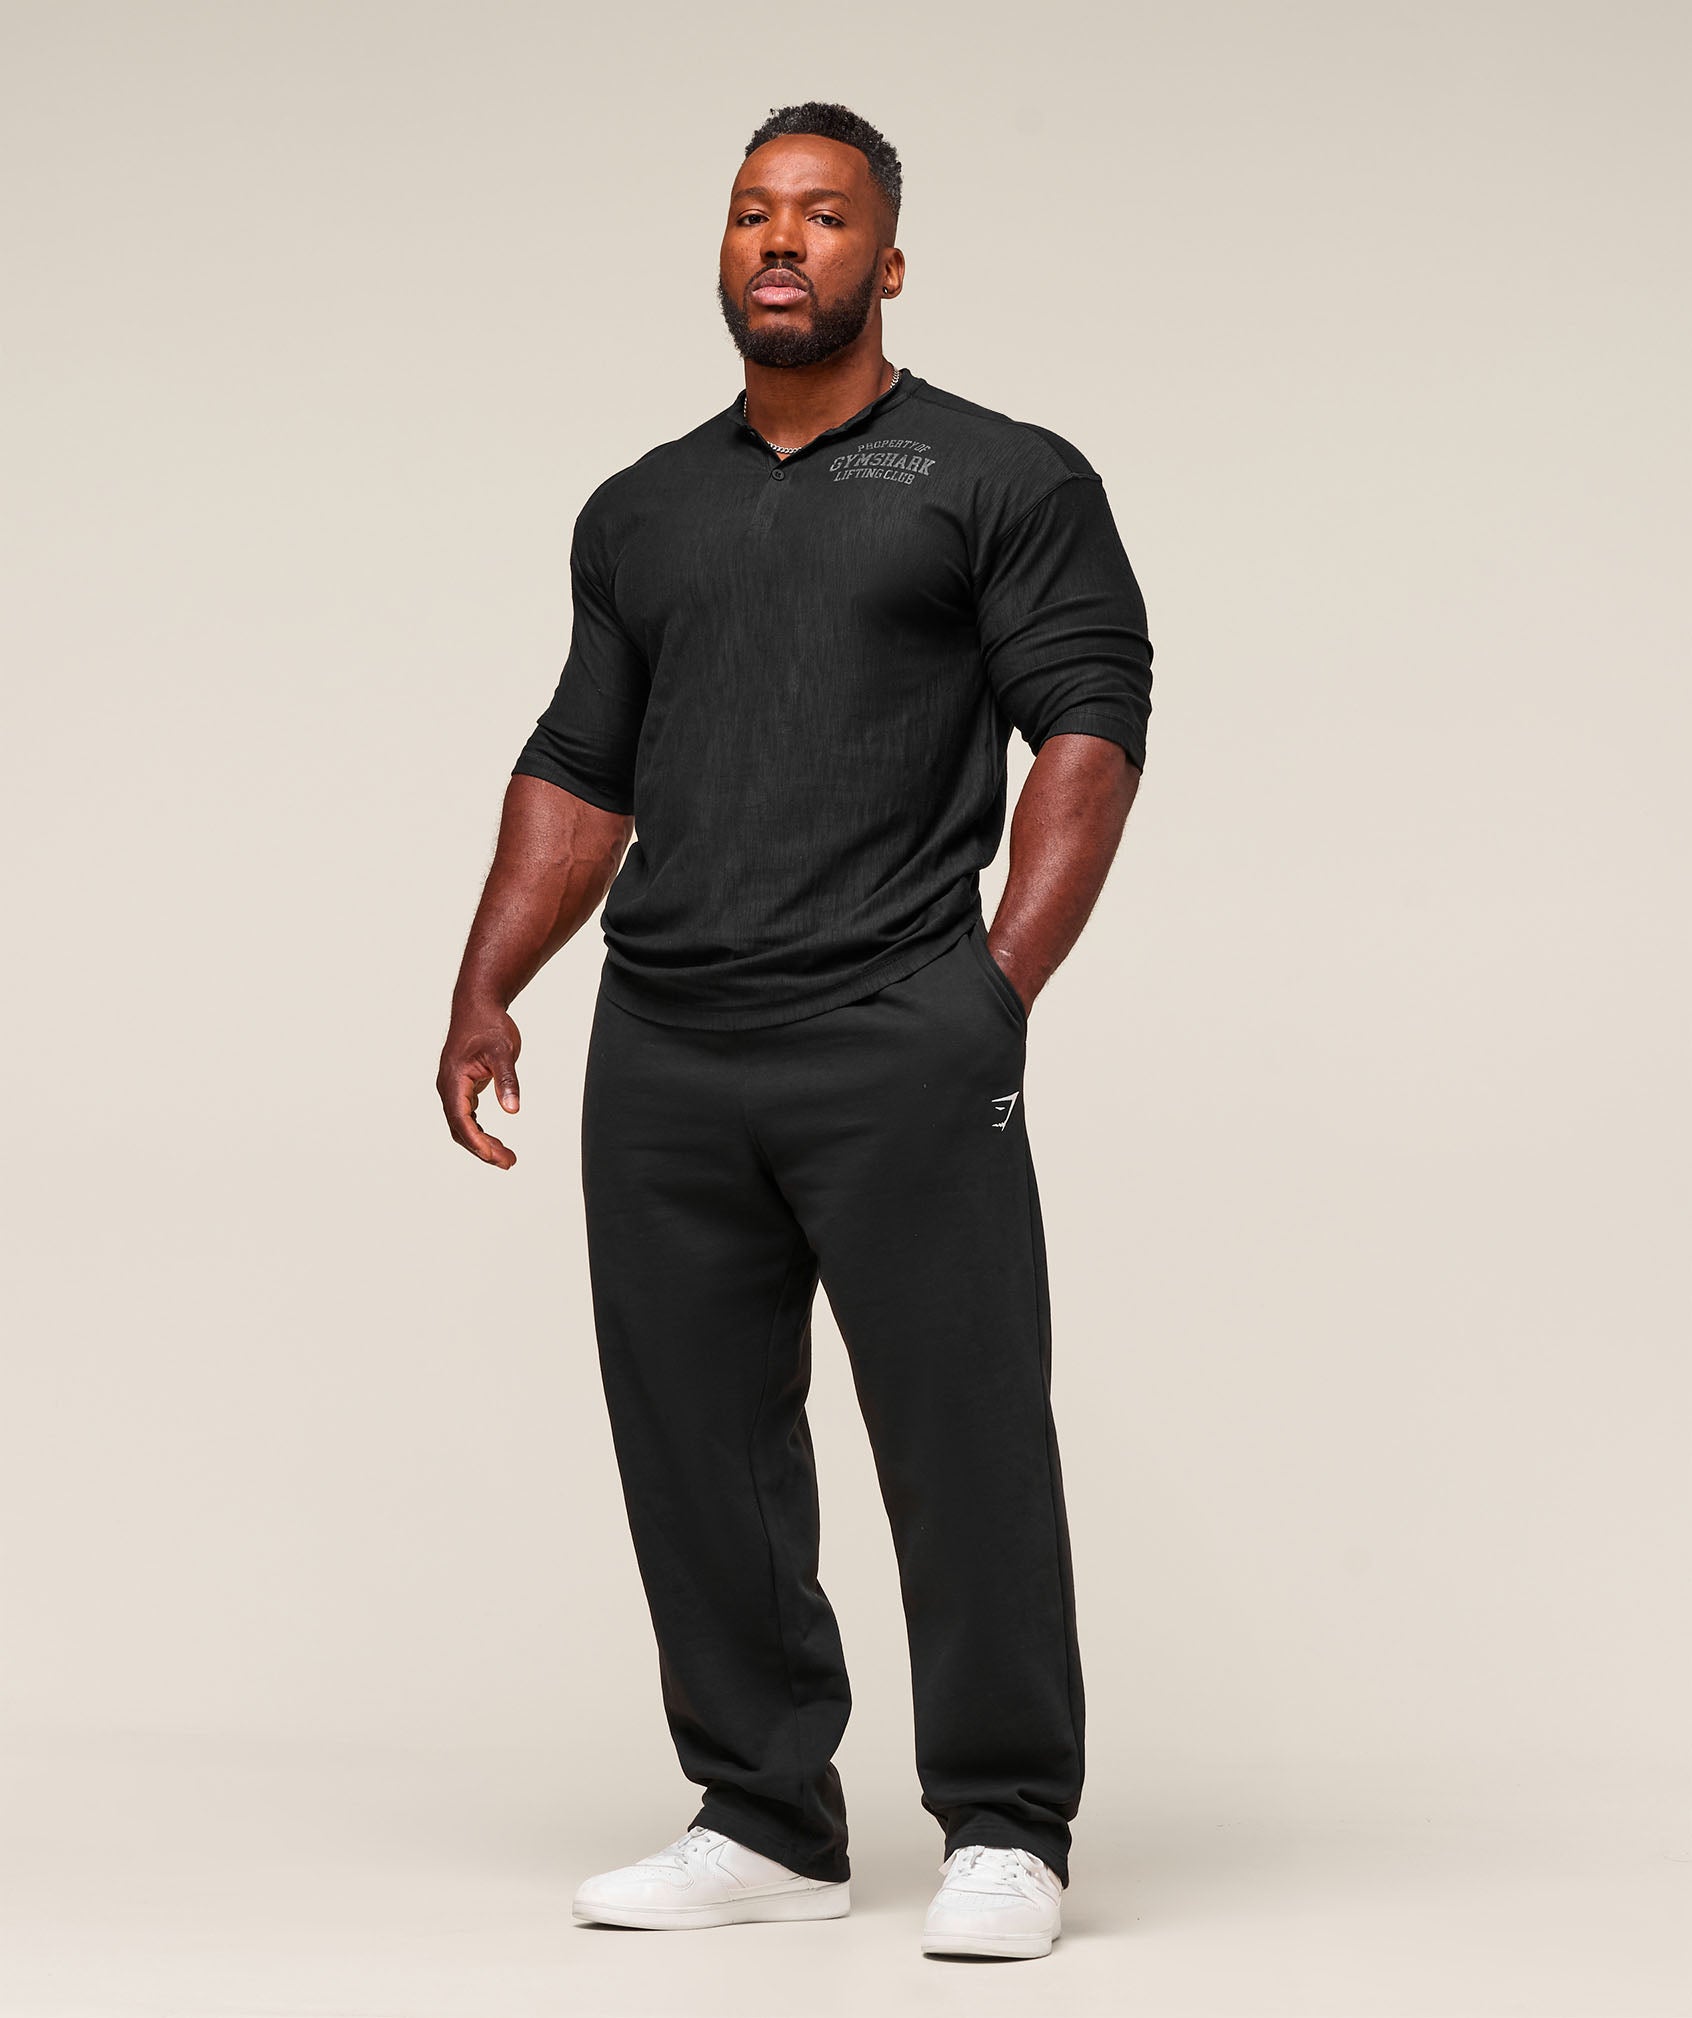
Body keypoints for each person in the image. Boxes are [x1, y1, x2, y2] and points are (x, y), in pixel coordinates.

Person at [437, 99, 1152, 1963]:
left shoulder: (1001, 476)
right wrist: (489, 979)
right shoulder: (642, 508)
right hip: (668, 1043)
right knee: (695, 1441)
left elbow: (1090, 726)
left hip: (894, 1024)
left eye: (824, 216)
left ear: (886, 260)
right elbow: (581, 765)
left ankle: (1008, 1823)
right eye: (754, 212)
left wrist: (993, 988)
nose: (781, 241)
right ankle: (763, 1815)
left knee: (962, 1430)